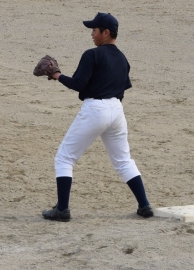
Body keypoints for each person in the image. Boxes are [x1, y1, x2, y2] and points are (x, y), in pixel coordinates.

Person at [40, 12, 153, 222]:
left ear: (106, 32)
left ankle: (62, 210)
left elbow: (78, 84)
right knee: (123, 160)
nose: (92, 34)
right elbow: (122, 88)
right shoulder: (123, 58)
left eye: (94, 30)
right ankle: (144, 205)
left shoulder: (92, 54)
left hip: (95, 109)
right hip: (117, 111)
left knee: (64, 157)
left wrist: (56, 74)